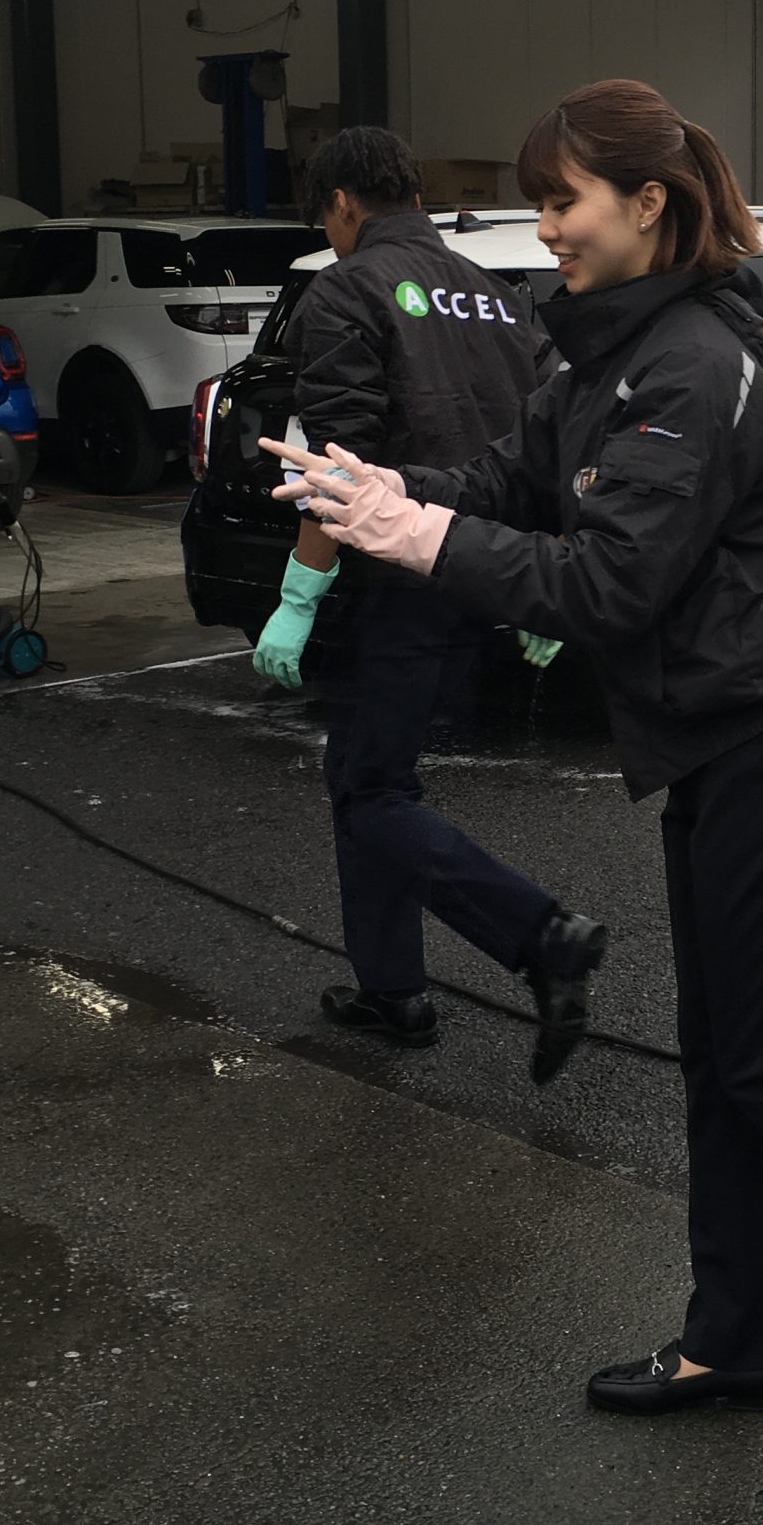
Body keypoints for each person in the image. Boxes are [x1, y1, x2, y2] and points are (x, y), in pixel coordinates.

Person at [266, 81, 763, 1463]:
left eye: (561, 200)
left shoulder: (692, 363)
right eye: (539, 201)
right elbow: (507, 479)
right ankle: (730, 1339)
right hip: (716, 739)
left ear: (647, 202)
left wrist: (414, 541)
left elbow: (609, 584)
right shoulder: (604, 350)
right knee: (721, 1057)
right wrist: (383, 490)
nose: (543, 227)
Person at [253, 124, 605, 1079]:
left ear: (341, 205)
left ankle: (541, 934)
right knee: (372, 779)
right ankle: (390, 988)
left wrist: (300, 591)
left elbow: (339, 466)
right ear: (413, 194)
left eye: (325, 220)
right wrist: (542, 578)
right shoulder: (495, 293)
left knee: (372, 790)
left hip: (396, 579)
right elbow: (549, 450)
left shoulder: (347, 289)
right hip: (491, 565)